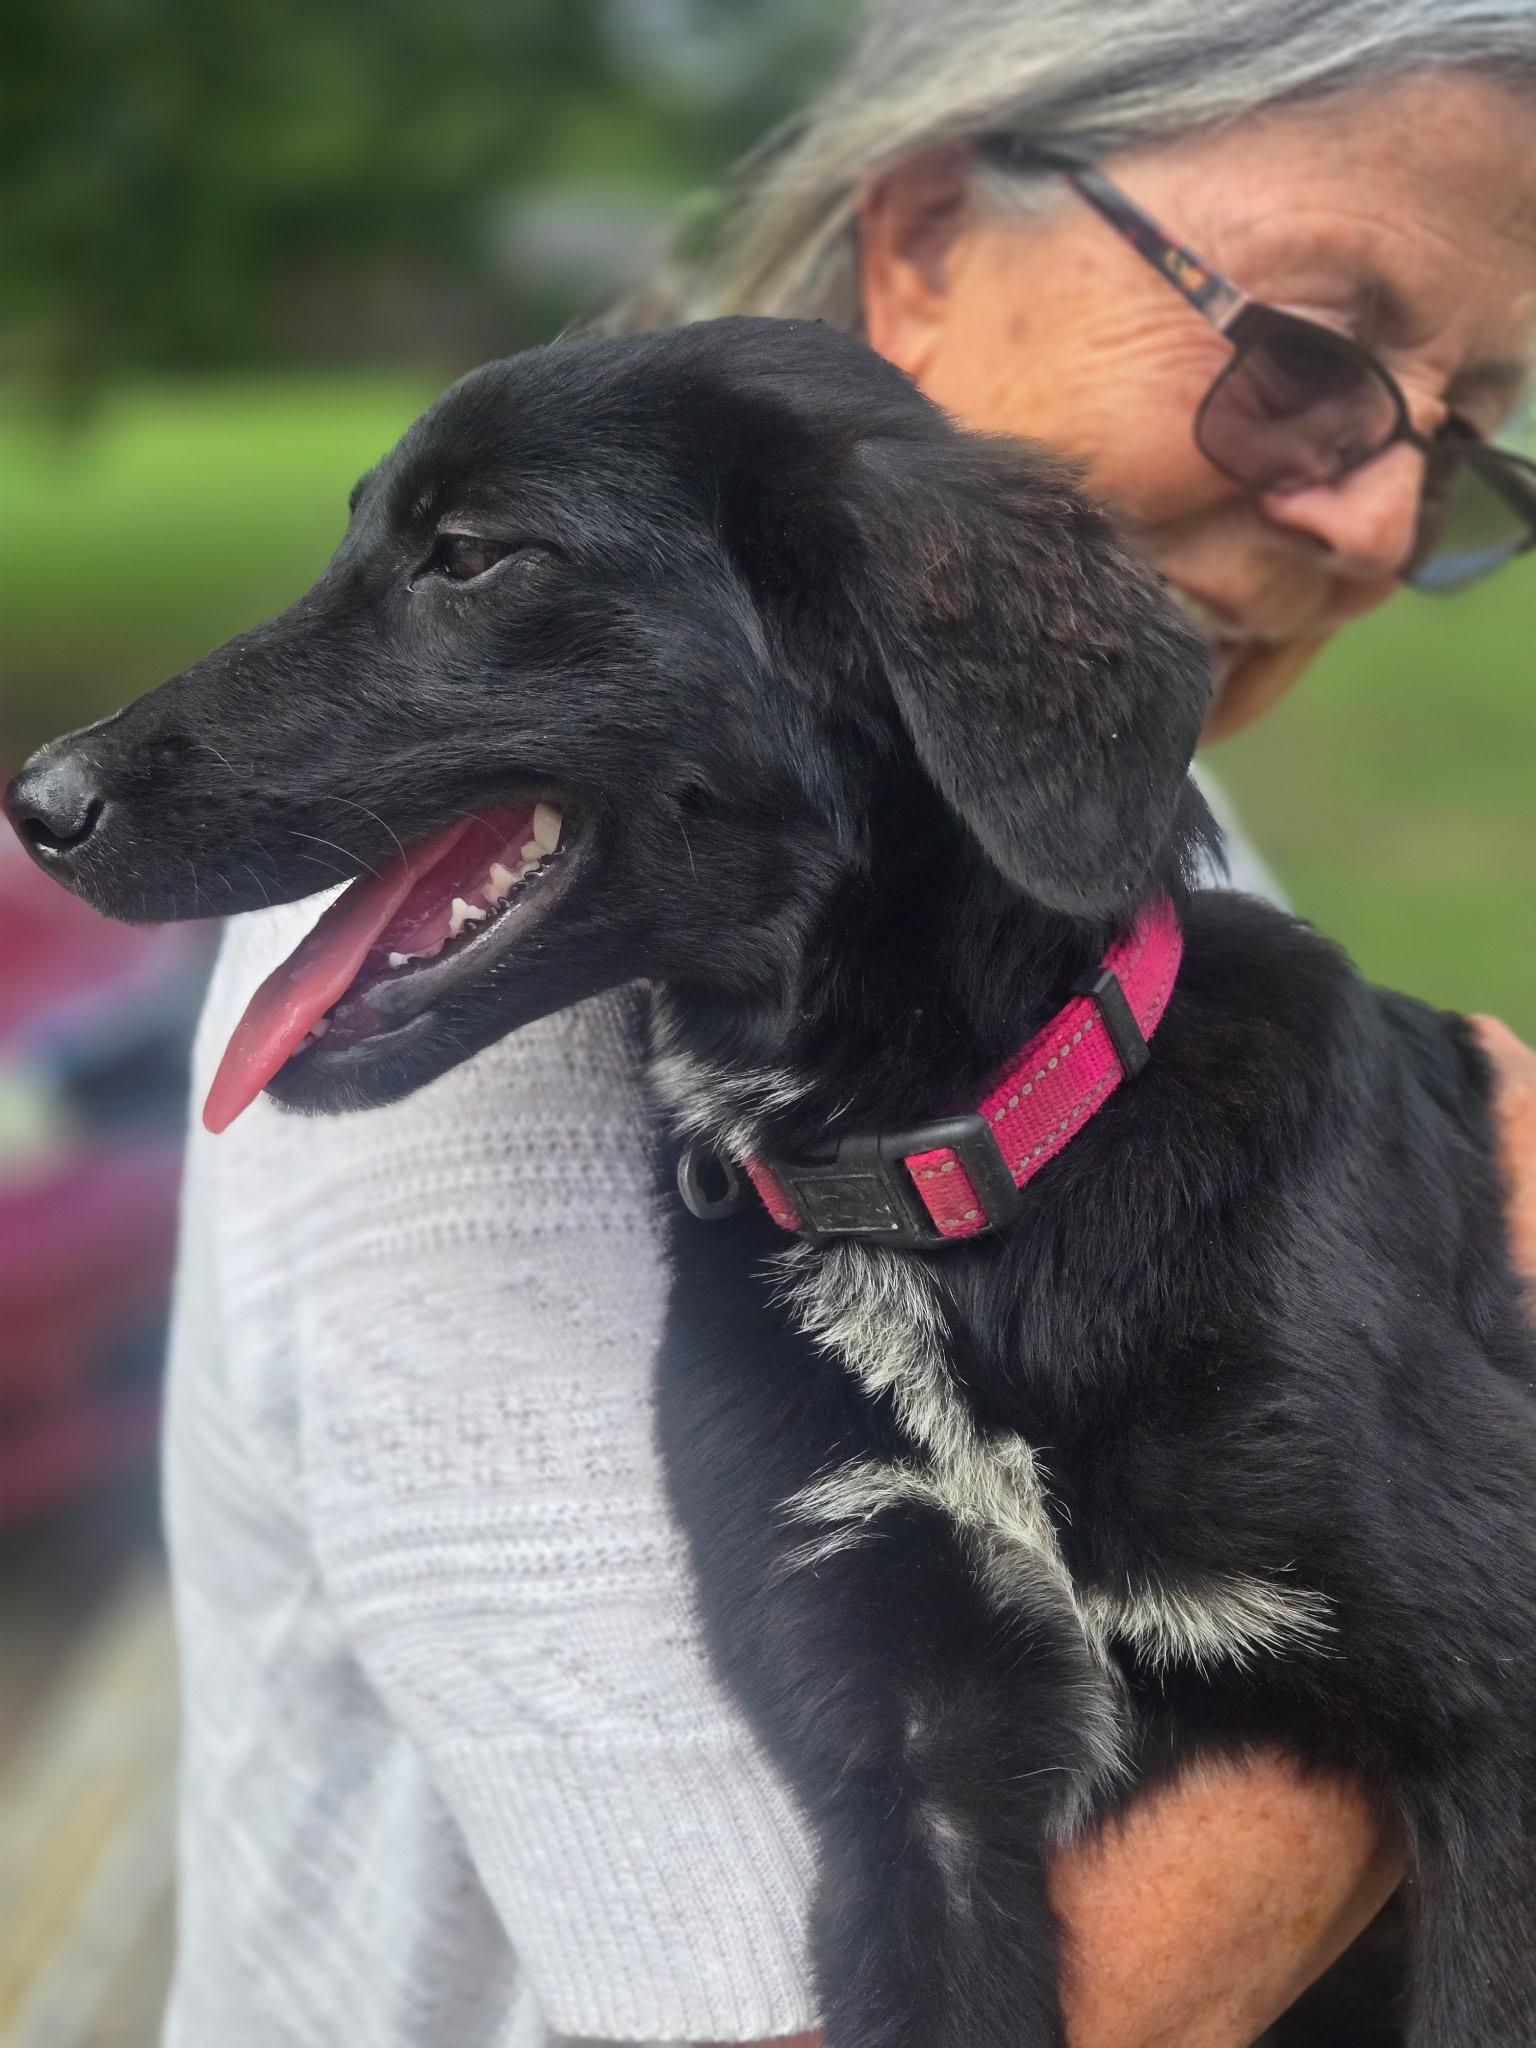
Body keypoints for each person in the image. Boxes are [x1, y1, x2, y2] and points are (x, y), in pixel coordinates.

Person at [160, 4, 1536, 2044]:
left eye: (1466, 436)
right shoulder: (496, 962)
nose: (1377, 523)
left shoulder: (1042, 789)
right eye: (1306, 359)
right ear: (923, 242)